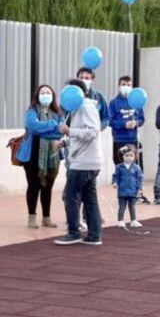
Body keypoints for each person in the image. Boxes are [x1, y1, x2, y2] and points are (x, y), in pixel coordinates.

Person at [54, 78, 102, 246]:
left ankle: (73, 232)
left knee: (70, 195)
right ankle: (95, 235)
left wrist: (70, 131)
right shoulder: (78, 108)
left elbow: (92, 132)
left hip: (84, 161)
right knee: (90, 198)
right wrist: (66, 141)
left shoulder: (85, 107)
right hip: (86, 160)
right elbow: (83, 134)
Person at [17, 84, 64, 229]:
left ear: (53, 96)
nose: (45, 95)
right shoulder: (32, 111)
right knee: (33, 186)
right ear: (37, 95)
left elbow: (59, 132)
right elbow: (32, 126)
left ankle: (46, 217)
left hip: (52, 156)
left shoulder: (58, 113)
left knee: (47, 187)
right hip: (32, 155)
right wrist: (51, 125)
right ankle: (32, 216)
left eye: (48, 92)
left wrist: (43, 128)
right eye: (42, 92)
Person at [109, 75, 150, 204]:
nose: (126, 86)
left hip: (133, 139)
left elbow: (142, 119)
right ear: (119, 85)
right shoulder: (114, 103)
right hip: (119, 140)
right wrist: (123, 124)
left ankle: (138, 195)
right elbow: (110, 121)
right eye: (123, 84)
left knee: (137, 168)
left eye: (128, 84)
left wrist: (136, 123)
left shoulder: (136, 101)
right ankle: (123, 194)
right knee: (121, 168)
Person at [112, 145, 143, 229]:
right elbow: (116, 176)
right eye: (126, 155)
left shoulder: (137, 167)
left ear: (135, 156)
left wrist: (140, 188)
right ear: (122, 156)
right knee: (122, 206)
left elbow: (140, 178)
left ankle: (133, 220)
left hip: (133, 191)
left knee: (132, 206)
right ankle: (121, 220)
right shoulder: (119, 167)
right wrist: (115, 182)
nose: (129, 157)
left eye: (131, 155)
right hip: (122, 191)